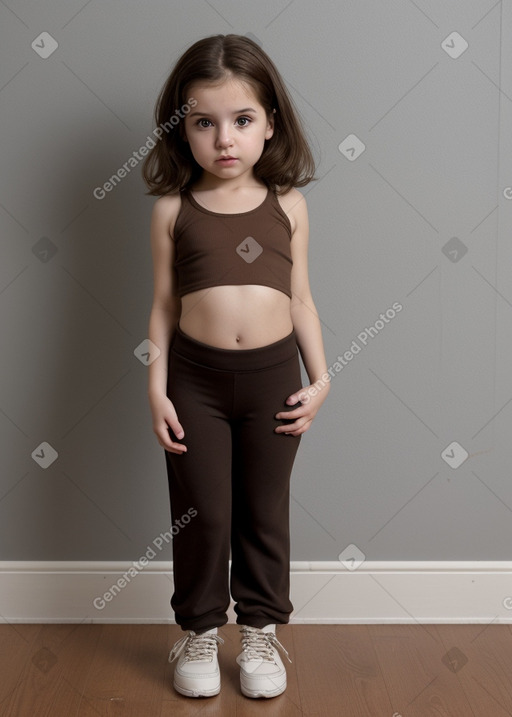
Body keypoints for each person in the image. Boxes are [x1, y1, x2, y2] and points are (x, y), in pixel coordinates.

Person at [142, 33, 330, 700]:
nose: (225, 139)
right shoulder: (173, 211)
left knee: (262, 510)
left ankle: (259, 629)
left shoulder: (288, 205)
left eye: (242, 120)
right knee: (204, 512)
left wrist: (322, 377)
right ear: (181, 129)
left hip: (274, 381)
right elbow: (164, 306)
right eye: (204, 123)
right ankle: (197, 628)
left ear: (271, 122)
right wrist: (156, 386)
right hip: (194, 380)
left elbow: (301, 297)